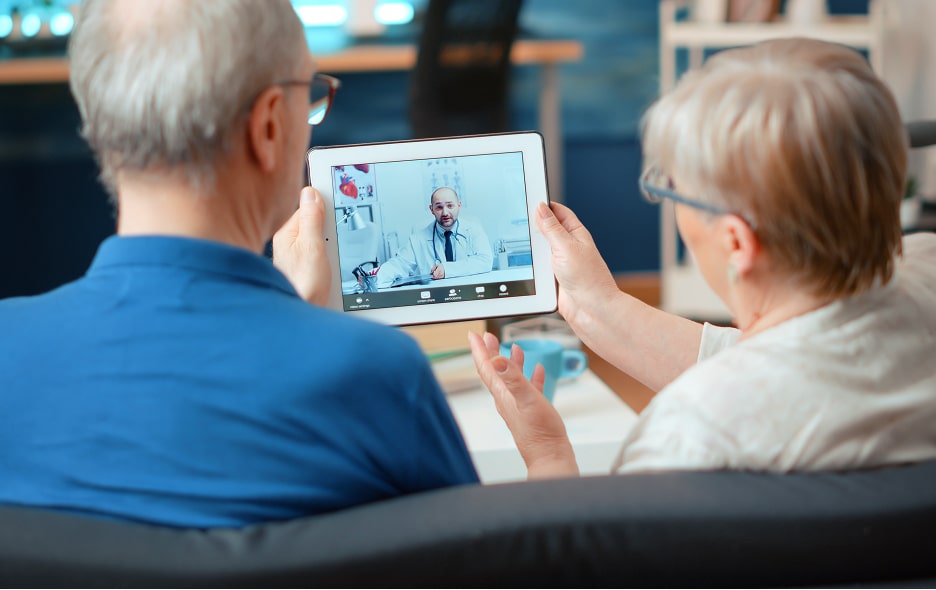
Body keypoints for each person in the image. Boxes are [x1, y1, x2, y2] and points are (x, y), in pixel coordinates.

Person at [0, 0, 478, 528]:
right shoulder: (379, 373)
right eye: (310, 95)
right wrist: (548, 456)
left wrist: (293, 313)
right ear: (270, 125)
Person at [470, 37, 936, 479]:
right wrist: (596, 306)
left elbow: (584, 560)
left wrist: (546, 451)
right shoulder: (927, 270)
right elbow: (795, 355)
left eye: (672, 188)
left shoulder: (691, 432)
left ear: (736, 243)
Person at [375, 186, 493, 288]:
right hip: (435, 299)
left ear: (459, 205)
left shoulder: (474, 230)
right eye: (439, 207)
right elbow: (399, 265)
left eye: (450, 206)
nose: (445, 213)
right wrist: (372, 278)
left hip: (470, 294)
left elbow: (485, 261)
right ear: (432, 209)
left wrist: (447, 270)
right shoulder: (418, 239)